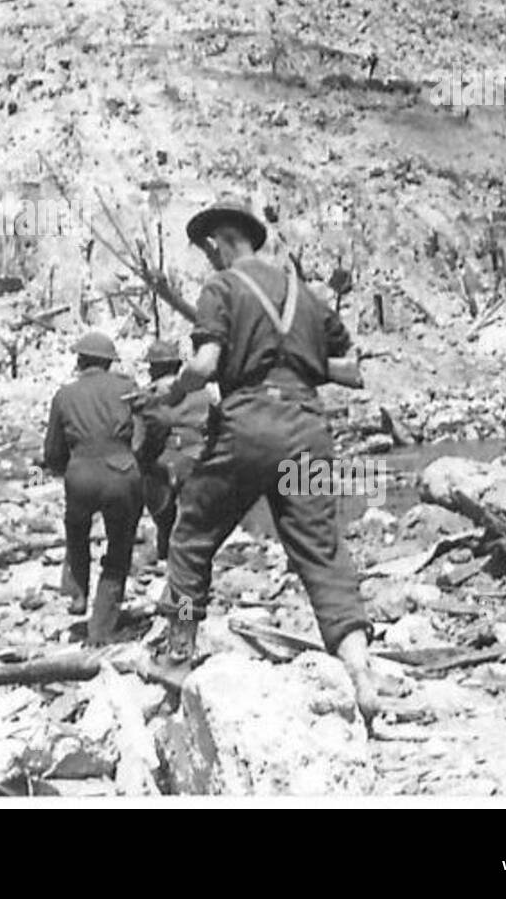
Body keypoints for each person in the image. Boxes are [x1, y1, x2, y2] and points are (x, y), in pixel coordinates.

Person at [145, 198, 380, 723]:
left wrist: (173, 387)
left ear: (216, 243)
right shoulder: (305, 295)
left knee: (192, 534)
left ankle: (179, 647)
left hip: (249, 430)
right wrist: (303, 361)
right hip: (307, 430)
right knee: (322, 553)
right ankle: (362, 672)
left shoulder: (221, 287)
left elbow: (205, 365)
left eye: (207, 250)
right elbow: (352, 367)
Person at [43, 332, 143, 645]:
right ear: (109, 362)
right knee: (118, 547)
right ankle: (101, 627)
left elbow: (52, 452)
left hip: (81, 474)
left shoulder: (64, 395)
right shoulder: (128, 388)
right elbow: (145, 431)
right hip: (122, 473)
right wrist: (130, 459)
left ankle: (77, 593)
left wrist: (63, 470)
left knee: (76, 532)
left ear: (80, 360)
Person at [134, 338, 211, 564]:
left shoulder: (149, 395)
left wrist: (141, 459)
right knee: (193, 516)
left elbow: (142, 435)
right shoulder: (202, 393)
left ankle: (165, 553)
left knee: (162, 514)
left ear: (157, 367)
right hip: (196, 455)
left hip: (163, 457)